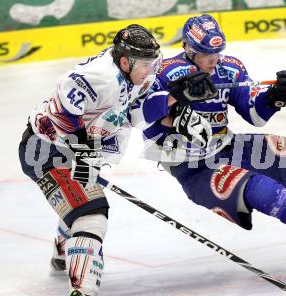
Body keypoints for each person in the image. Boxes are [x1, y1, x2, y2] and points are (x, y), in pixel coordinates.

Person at [139, 14, 286, 249]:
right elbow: (143, 115)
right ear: (188, 48)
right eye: (205, 54)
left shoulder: (230, 68)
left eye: (217, 52)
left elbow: (255, 114)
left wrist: (277, 95)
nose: (213, 59)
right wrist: (174, 104)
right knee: (260, 189)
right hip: (191, 164)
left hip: (226, 146)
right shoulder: (164, 72)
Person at [18, 24, 174, 296]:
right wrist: (80, 147)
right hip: (46, 149)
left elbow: (134, 114)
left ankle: (63, 252)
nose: (151, 69)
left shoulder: (135, 73)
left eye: (153, 62)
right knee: (92, 215)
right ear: (125, 61)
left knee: (80, 201)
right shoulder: (98, 76)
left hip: (73, 149)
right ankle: (83, 290)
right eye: (145, 64)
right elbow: (61, 109)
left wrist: (175, 98)